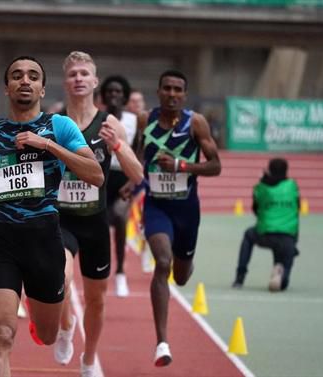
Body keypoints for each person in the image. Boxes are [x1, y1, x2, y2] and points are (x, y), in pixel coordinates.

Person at [0, 56, 103, 377]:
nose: (24, 81)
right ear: (7, 88)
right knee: (1, 335)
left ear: (42, 89)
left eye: (33, 76)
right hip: (3, 241)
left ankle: (52, 304)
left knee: (47, 335)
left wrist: (48, 145)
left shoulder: (60, 126)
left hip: (44, 241)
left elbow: (96, 175)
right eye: (17, 76)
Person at [53, 52, 143, 376]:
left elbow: (137, 174)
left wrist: (117, 146)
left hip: (95, 223)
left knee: (97, 300)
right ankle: (65, 325)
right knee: (59, 279)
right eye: (73, 73)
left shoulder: (109, 123)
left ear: (94, 82)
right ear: (66, 82)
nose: (78, 78)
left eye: (84, 74)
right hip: (60, 220)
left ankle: (88, 359)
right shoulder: (54, 121)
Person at [136, 69, 221, 367]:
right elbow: (136, 159)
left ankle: (186, 259)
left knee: (181, 276)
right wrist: (130, 183)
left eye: (178, 89)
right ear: (158, 92)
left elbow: (215, 166)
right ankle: (162, 342)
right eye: (167, 88)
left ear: (184, 95)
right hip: (156, 206)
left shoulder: (195, 123)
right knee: (162, 263)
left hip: (187, 210)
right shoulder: (144, 120)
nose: (172, 94)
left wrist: (181, 166)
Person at [232, 158, 300, 292]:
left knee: (248, 235)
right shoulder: (293, 186)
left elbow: (256, 210)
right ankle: (280, 270)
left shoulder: (261, 187)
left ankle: (240, 278)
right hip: (288, 237)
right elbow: (296, 210)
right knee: (283, 285)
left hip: (265, 234)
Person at [99, 74, 139, 298]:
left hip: (124, 179)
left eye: (118, 92)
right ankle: (103, 270)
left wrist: (133, 181)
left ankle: (121, 271)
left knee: (121, 217)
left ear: (124, 97)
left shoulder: (134, 121)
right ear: (104, 96)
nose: (114, 95)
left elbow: (140, 152)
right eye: (110, 92)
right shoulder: (99, 118)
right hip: (103, 179)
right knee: (101, 224)